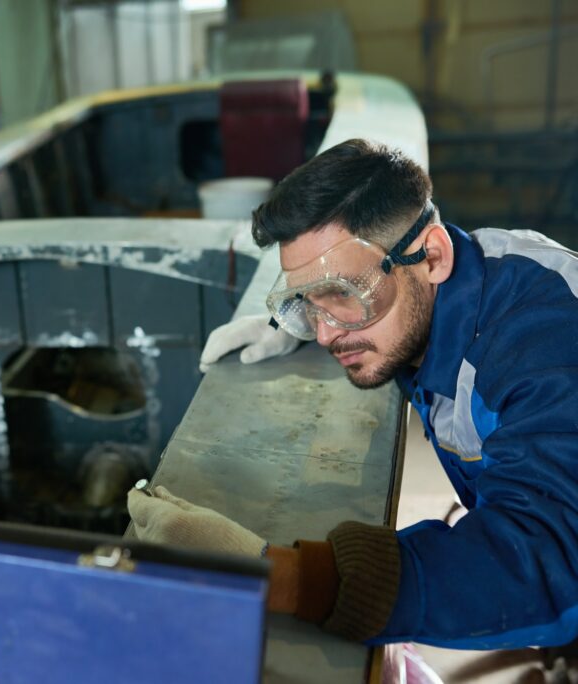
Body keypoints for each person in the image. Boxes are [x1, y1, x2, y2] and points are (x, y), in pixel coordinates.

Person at [128, 138, 578, 649]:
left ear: (432, 256)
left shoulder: (544, 346)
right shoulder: (449, 287)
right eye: (304, 300)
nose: (323, 335)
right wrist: (301, 316)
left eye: (343, 293)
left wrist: (290, 577)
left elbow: (556, 560)